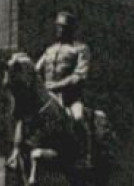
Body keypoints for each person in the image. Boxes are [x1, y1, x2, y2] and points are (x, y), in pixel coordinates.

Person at [36, 11, 92, 167]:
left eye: (63, 27)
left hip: (70, 99)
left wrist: (56, 85)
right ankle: (17, 150)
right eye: (58, 27)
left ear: (71, 30)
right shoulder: (49, 50)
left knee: (79, 118)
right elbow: (36, 71)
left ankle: (84, 156)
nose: (59, 30)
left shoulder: (80, 49)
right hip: (47, 98)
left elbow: (79, 75)